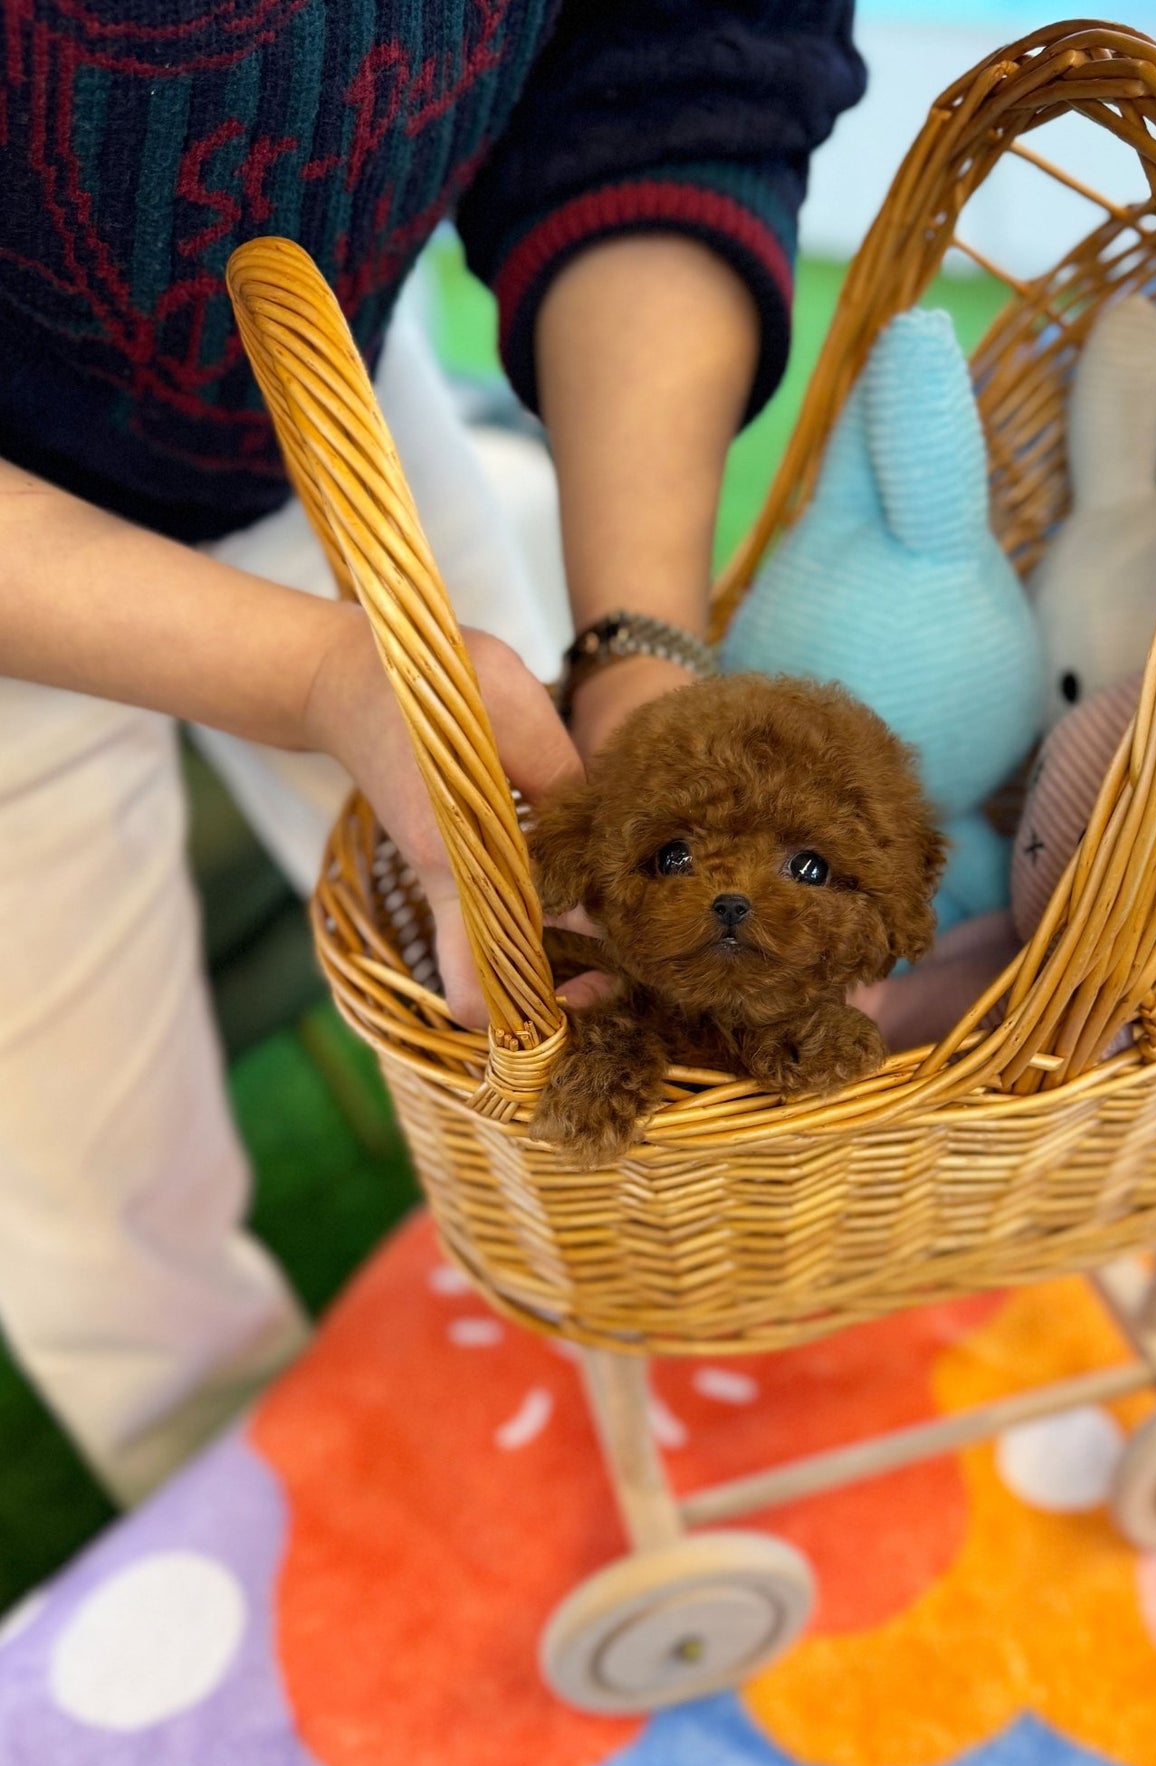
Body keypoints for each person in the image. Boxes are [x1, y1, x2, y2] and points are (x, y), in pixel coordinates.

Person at [0, 2, 865, 1505]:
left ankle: (605, 1321)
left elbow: (673, 75)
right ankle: (229, 1520)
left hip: (319, 376)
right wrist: (320, 671)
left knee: (540, 902)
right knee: (91, 1172)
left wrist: (636, 652)